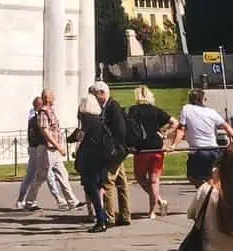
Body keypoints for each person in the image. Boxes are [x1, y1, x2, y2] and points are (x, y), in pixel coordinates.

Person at [21, 88, 78, 209]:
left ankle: (72, 201)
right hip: (47, 149)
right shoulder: (43, 112)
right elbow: (45, 131)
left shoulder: (50, 110)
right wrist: (58, 146)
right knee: (40, 176)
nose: (55, 98)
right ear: (48, 98)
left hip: (54, 150)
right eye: (52, 96)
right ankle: (30, 202)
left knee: (63, 174)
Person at [127, 86, 174, 218]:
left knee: (140, 177)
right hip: (157, 147)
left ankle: (159, 201)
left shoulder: (133, 110)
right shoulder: (155, 110)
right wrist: (165, 133)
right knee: (155, 180)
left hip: (142, 148)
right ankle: (152, 211)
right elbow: (174, 122)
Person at [175, 89, 233, 185]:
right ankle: (211, 193)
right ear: (203, 99)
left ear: (190, 99)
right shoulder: (211, 112)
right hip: (214, 150)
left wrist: (173, 145)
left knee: (196, 178)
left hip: (199, 151)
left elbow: (181, 130)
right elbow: (228, 127)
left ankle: (210, 194)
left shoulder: (186, 108)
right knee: (208, 178)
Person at [74, 89, 111, 231]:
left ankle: (100, 218)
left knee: (91, 189)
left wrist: (74, 137)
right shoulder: (99, 120)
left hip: (89, 159)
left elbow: (81, 136)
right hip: (99, 158)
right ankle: (103, 217)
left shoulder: (87, 120)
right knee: (97, 187)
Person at [95, 82, 131, 226]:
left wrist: (114, 148)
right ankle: (125, 215)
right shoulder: (110, 106)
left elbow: (119, 130)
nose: (96, 99)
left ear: (102, 93)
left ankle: (110, 217)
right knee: (122, 183)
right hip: (119, 150)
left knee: (108, 183)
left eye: (96, 95)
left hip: (115, 151)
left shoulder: (112, 107)